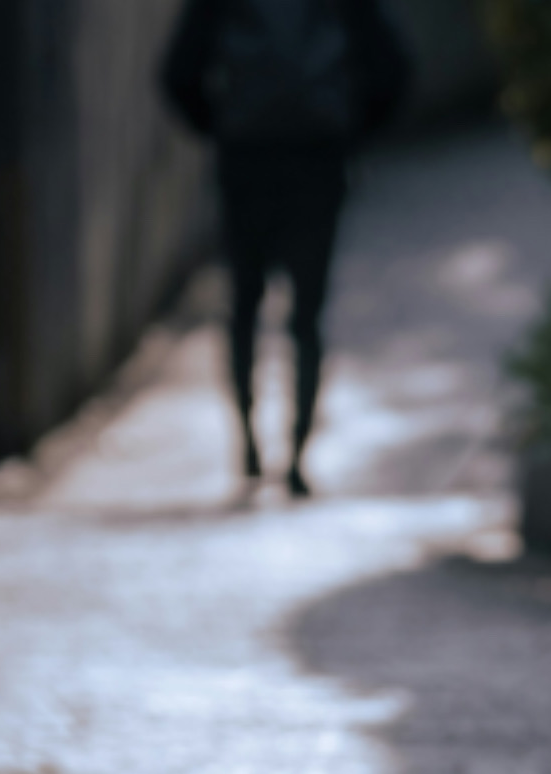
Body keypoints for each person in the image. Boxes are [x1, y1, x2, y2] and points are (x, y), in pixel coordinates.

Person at [160, 0, 412, 497]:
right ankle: (297, 455)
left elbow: (177, 74)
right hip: (317, 160)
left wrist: (222, 126)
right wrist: (348, 131)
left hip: (245, 159)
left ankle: (248, 444)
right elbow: (394, 70)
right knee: (307, 317)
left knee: (244, 308)